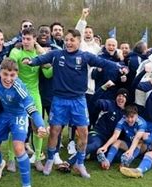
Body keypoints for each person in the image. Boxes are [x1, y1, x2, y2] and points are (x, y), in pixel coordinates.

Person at [23, 29, 125, 178]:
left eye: (72, 40)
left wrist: (119, 66)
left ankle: (80, 163)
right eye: (67, 40)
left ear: (79, 41)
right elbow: (42, 58)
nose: (69, 43)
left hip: (78, 100)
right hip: (59, 100)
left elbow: (103, 62)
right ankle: (50, 160)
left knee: (83, 132)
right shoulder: (57, 54)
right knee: (54, 131)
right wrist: (31, 62)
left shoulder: (84, 56)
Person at [0, 59, 47, 187]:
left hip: (18, 115)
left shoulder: (20, 87)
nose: (8, 79)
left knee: (18, 147)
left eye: (12, 75)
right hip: (2, 113)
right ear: (0, 72)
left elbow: (32, 109)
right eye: (5, 74)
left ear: (17, 75)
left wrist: (40, 125)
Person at [9, 28, 52, 171]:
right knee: (15, 127)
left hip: (34, 94)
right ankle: (11, 159)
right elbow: (10, 68)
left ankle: (38, 158)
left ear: (35, 40)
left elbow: (47, 74)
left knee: (39, 127)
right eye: (23, 38)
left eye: (28, 39)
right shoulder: (16, 52)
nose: (25, 41)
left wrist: (46, 59)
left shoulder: (39, 54)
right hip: (17, 93)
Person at [97, 104, 147, 169]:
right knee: (117, 142)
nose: (129, 119)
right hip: (128, 143)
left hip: (141, 146)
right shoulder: (122, 121)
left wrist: (131, 150)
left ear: (136, 116)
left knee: (140, 142)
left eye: (132, 117)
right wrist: (105, 146)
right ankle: (107, 162)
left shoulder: (142, 123)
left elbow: (137, 138)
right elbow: (115, 135)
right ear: (124, 116)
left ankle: (127, 161)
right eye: (127, 117)